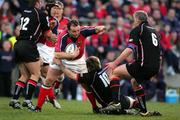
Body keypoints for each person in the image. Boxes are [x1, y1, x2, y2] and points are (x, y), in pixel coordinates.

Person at [35, 19, 106, 112]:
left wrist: (102, 28)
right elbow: (57, 54)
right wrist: (71, 55)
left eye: (77, 30)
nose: (76, 33)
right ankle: (38, 108)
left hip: (78, 61)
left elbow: (96, 29)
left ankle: (95, 107)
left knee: (86, 85)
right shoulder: (62, 36)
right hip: (62, 60)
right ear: (68, 30)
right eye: (73, 31)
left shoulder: (83, 31)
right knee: (48, 81)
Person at [105, 10, 161, 116]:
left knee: (114, 72)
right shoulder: (155, 31)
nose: (133, 22)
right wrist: (156, 70)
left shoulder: (138, 29)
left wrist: (115, 63)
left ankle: (116, 103)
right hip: (155, 67)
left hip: (143, 65)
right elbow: (160, 53)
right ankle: (143, 111)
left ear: (137, 20)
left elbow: (130, 49)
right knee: (135, 82)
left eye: (133, 19)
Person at [9, 0, 57, 111]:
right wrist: (53, 37)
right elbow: (47, 33)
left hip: (18, 44)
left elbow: (32, 25)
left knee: (24, 75)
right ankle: (27, 100)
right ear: (38, 2)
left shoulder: (25, 12)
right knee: (36, 74)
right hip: (28, 45)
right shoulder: (41, 13)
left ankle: (14, 100)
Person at [56, 56, 141, 115]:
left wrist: (61, 65)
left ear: (88, 67)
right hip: (121, 99)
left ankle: (125, 111)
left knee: (84, 84)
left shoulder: (90, 77)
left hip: (108, 104)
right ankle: (139, 107)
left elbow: (72, 76)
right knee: (133, 102)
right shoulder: (103, 71)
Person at [36, 1, 69, 108]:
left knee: (60, 77)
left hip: (58, 52)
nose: (56, 10)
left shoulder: (67, 22)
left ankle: (56, 89)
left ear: (62, 10)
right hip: (46, 50)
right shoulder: (47, 19)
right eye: (54, 8)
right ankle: (49, 97)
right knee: (45, 74)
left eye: (58, 8)